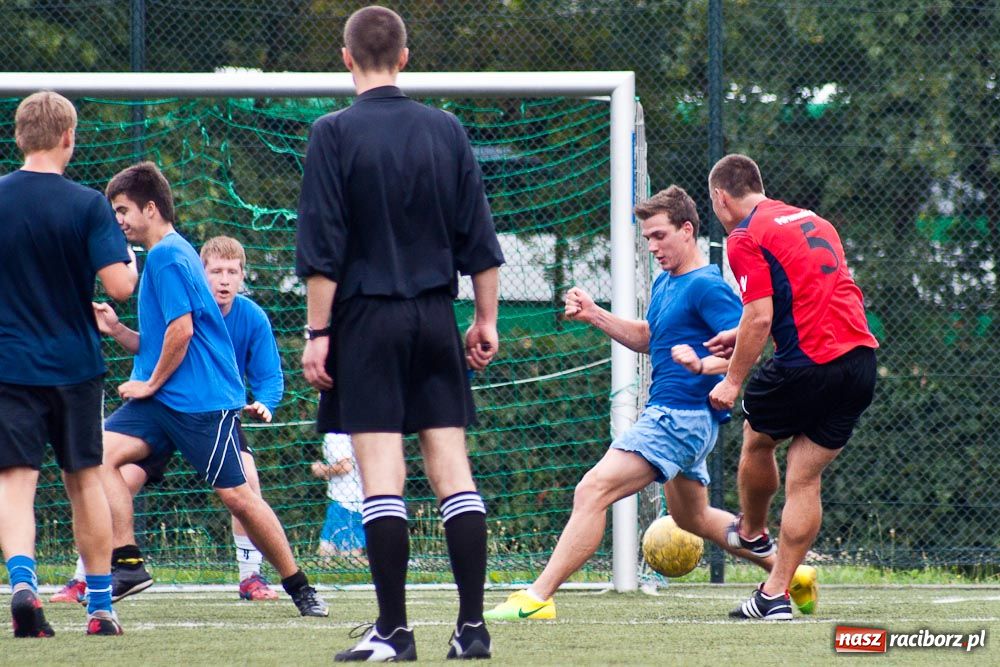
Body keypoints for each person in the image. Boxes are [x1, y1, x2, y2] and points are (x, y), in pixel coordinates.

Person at [484, 185, 817, 623]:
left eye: (659, 235)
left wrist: (702, 364)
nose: (653, 246)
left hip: (679, 417)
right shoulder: (667, 282)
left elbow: (744, 350)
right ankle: (790, 573)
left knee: (592, 490)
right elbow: (649, 337)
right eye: (647, 239)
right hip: (679, 417)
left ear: (687, 230)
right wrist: (594, 314)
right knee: (693, 516)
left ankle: (538, 597)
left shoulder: (707, 286)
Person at [295, 6, 504, 661]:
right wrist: (486, 319)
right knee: (453, 471)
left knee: (382, 477)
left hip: (366, 321)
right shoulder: (446, 130)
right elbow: (482, 244)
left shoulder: (331, 134)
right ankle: (472, 630)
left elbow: (323, 251)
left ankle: (395, 632)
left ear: (346, 57)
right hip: (436, 317)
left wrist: (317, 332)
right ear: (405, 57)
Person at [92, 161, 328, 617]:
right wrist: (118, 329)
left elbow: (181, 332)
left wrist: (148, 384)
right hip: (164, 401)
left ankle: (299, 586)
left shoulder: (167, 256)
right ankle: (127, 563)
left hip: (202, 404)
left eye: (123, 210)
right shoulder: (171, 255)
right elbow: (163, 338)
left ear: (151, 208)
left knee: (239, 497)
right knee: (96, 453)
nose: (117, 220)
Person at [51, 235, 286, 603]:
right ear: (199, 274)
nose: (224, 280)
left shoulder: (251, 317)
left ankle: (250, 577)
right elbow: (154, 346)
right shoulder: (180, 307)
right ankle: (88, 574)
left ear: (242, 276)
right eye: (216, 271)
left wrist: (266, 402)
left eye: (232, 272)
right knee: (107, 478)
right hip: (159, 410)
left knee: (246, 486)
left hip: (209, 412)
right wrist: (116, 330)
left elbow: (269, 375)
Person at [706, 154, 878, 620]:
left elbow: (760, 315)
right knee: (805, 477)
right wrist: (740, 336)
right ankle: (774, 594)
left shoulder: (744, 236)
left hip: (809, 363)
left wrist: (732, 380)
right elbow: (803, 298)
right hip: (860, 360)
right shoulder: (814, 220)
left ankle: (754, 532)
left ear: (721, 198)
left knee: (757, 438)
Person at [0, 91, 137, 637]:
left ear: (17, 136)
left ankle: (22, 583)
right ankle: (101, 607)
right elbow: (121, 286)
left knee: (15, 480)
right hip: (76, 366)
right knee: (84, 481)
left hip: (9, 364)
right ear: (68, 139)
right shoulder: (87, 204)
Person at [312, 433, 365, 560]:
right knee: (325, 552)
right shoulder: (353, 429)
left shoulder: (334, 435)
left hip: (346, 504)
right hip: (342, 501)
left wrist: (322, 470)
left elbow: (346, 466)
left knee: (350, 558)